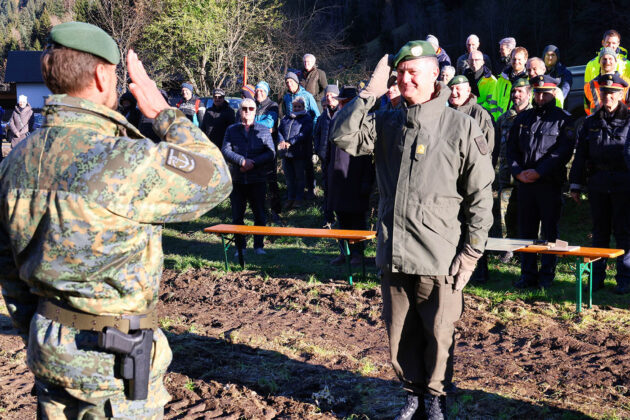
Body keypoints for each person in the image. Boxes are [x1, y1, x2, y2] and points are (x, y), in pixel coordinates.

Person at [0, 21, 232, 419]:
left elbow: (9, 267)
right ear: (100, 75)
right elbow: (216, 177)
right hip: (114, 371)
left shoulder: (15, 163)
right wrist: (163, 113)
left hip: (51, 356)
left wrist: (42, 330)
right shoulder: (125, 161)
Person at [331, 40, 493, 419]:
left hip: (441, 255)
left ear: (435, 74)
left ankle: (435, 399)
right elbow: (343, 137)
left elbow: (480, 198)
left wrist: (471, 253)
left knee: (439, 334)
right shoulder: (388, 122)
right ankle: (413, 395)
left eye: (412, 71)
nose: (404, 78)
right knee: (399, 334)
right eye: (399, 72)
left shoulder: (460, 126)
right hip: (395, 250)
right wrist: (367, 95)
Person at [507, 75, 575, 289]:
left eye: (545, 92)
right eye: (537, 92)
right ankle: (527, 274)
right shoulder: (522, 119)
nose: (540, 96)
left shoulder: (563, 119)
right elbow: (511, 149)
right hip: (525, 183)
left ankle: (547, 274)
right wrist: (518, 172)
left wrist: (539, 172)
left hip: (549, 184)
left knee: (549, 231)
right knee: (526, 230)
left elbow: (562, 152)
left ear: (554, 93)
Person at [571, 74, 630, 295]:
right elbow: (580, 156)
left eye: (612, 93)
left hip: (624, 184)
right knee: (599, 233)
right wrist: (576, 184)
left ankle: (624, 278)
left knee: (624, 233)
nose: (608, 96)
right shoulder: (590, 122)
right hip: (598, 184)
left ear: (621, 94)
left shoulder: (629, 120)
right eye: (604, 92)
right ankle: (597, 279)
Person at [448, 75, 495, 283]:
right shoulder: (445, 113)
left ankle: (479, 272)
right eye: (452, 89)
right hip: (449, 182)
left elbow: (488, 148)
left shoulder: (480, 114)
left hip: (472, 178)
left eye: (459, 89)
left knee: (474, 222)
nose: (455, 93)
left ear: (469, 91)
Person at [326, 86, 375, 266]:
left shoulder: (364, 122)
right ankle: (343, 252)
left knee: (357, 220)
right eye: (341, 102)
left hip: (354, 178)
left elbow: (368, 157)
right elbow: (329, 152)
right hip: (337, 178)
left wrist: (366, 182)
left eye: (345, 102)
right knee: (342, 218)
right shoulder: (335, 120)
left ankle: (357, 254)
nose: (342, 104)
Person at [222, 98, 275, 256]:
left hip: (257, 178)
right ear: (240, 111)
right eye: (244, 108)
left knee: (259, 214)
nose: (247, 111)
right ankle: (241, 247)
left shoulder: (263, 130)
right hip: (238, 179)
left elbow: (271, 152)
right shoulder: (231, 130)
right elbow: (225, 150)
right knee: (237, 215)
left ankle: (259, 246)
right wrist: (241, 161)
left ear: (255, 111)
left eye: (251, 109)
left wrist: (253, 163)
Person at [494, 78, 532, 263]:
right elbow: (495, 147)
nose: (516, 95)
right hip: (506, 174)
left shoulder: (535, 115)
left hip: (528, 175)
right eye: (514, 91)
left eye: (520, 91)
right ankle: (507, 249)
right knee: (503, 212)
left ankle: (528, 249)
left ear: (529, 94)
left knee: (528, 213)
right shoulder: (504, 118)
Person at [281, 71, 320, 199]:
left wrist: (312, 131)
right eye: (287, 83)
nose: (289, 84)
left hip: (305, 134)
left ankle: (311, 189)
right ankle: (294, 193)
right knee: (294, 166)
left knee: (308, 164)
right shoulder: (287, 97)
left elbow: (316, 115)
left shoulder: (307, 96)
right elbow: (287, 114)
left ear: (296, 82)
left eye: (291, 82)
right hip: (291, 139)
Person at [254, 81, 282, 223]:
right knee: (257, 180)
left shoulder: (272, 105)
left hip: (268, 147)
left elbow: (269, 123)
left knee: (271, 180)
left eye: (262, 91)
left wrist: (252, 123)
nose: (259, 93)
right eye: (257, 91)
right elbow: (241, 119)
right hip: (254, 147)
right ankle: (260, 211)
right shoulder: (253, 104)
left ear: (266, 92)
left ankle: (275, 211)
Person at [277, 97, 313, 209]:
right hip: (286, 153)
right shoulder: (286, 118)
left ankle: (298, 198)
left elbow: (304, 134)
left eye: (299, 106)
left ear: (303, 107)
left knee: (299, 177)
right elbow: (279, 130)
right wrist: (282, 140)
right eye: (295, 106)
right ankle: (290, 197)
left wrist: (290, 142)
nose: (297, 108)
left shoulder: (307, 118)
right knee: (289, 177)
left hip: (299, 152)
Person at [314, 85, 340, 226]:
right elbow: (317, 133)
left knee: (339, 189)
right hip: (325, 158)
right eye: (327, 95)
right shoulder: (323, 115)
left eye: (332, 95)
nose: (329, 98)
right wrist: (318, 150)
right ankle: (328, 219)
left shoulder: (342, 113)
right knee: (327, 189)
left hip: (339, 159)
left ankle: (340, 219)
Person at [584, 48, 629, 116]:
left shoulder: (627, 83)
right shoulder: (589, 85)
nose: (607, 62)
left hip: (620, 124)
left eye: (610, 59)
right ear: (599, 61)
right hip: (597, 124)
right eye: (604, 59)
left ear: (615, 61)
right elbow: (587, 108)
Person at [491, 46, 528, 120]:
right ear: (510, 59)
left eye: (519, 59)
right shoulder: (502, 79)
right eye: (514, 59)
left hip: (521, 122)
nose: (516, 62)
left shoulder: (529, 81)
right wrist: (495, 121)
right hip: (501, 122)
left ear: (525, 60)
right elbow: (493, 103)